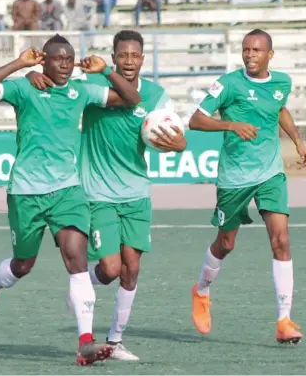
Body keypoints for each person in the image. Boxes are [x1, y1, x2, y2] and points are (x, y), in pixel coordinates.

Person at [0, 34, 141, 365]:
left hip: (67, 192)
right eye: (57, 58)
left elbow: (131, 99)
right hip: (26, 192)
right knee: (23, 265)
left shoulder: (81, 92)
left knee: (76, 258)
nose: (64, 63)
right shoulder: (25, 87)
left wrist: (106, 71)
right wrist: (20, 64)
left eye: (69, 58)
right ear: (44, 61)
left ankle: (86, 342)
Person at [27, 30, 187, 360]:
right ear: (114, 57)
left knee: (131, 269)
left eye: (135, 56)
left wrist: (179, 143)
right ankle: (81, 286)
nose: (129, 61)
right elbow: (59, 83)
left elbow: (177, 136)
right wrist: (33, 73)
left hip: (137, 194)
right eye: (123, 55)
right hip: (98, 194)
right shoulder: (94, 89)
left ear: (143, 58)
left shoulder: (156, 95)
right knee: (112, 268)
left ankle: (114, 341)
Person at [188, 28, 306, 344]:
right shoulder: (229, 84)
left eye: (256, 50)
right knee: (226, 244)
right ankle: (202, 290)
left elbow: (280, 108)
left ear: (270, 54)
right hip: (234, 178)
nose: (249, 55)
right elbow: (195, 120)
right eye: (246, 50)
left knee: (281, 240)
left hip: (270, 174)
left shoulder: (282, 82)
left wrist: (298, 141)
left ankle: (284, 321)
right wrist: (230, 124)